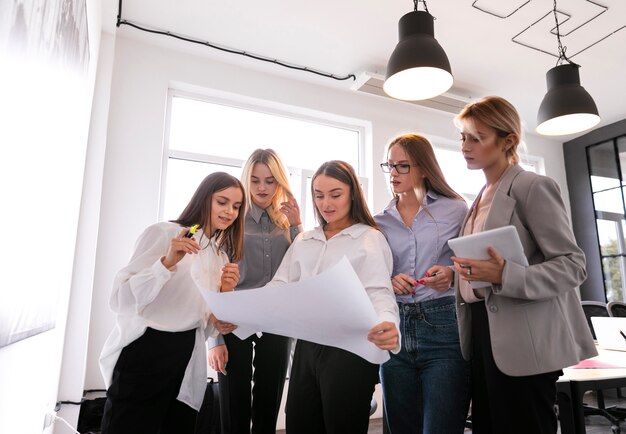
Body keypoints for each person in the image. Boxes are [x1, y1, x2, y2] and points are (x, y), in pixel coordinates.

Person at [451, 96, 597, 434]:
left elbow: (573, 265)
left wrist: (505, 275)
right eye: (463, 137)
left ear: (508, 141)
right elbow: (482, 264)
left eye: (477, 137)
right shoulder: (479, 196)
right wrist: (455, 275)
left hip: (525, 341)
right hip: (482, 332)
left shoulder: (532, 187)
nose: (466, 146)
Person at [99, 172, 246, 434]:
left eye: (236, 206)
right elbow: (121, 299)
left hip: (188, 354)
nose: (230, 212)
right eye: (222, 202)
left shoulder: (219, 256)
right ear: (204, 198)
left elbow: (209, 327)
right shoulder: (164, 232)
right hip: (145, 350)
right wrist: (166, 263)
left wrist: (225, 297)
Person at [269, 160, 400, 434]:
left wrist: (388, 322)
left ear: (353, 193)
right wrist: (239, 313)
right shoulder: (304, 240)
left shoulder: (370, 238)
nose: (325, 203)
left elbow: (379, 291)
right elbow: (279, 287)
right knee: (299, 422)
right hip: (306, 347)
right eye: (318, 195)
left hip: (350, 349)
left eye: (335, 194)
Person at [375, 134, 470, 434]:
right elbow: (372, 275)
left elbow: (471, 260)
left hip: (443, 326)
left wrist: (452, 274)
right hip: (396, 328)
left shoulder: (455, 208)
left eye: (402, 166)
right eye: (390, 165)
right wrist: (390, 281)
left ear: (425, 168)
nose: (393, 173)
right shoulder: (378, 221)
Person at [207, 149, 303, 434]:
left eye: (270, 181)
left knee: (269, 395)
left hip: (276, 317)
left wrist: (298, 224)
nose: (262, 188)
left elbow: (304, 264)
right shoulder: (230, 219)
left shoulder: (286, 223)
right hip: (234, 316)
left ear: (280, 183)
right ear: (245, 181)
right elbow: (212, 279)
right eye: (255, 180)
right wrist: (215, 341)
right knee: (233, 397)